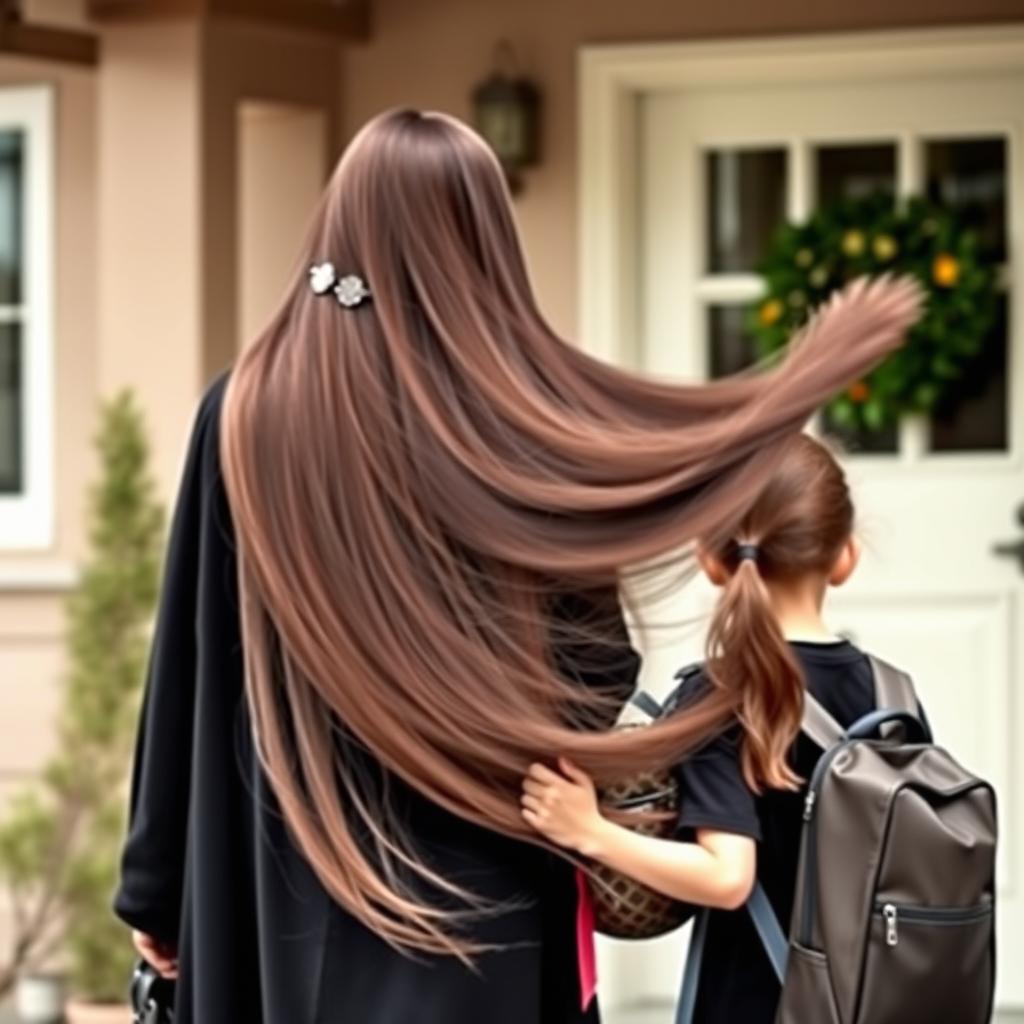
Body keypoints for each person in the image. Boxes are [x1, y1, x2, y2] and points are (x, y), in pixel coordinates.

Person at [114, 107, 922, 1024]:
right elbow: (594, 666)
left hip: (278, 856)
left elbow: (186, 658)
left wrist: (153, 884)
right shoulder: (521, 416)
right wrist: (490, 732)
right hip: (483, 859)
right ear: (484, 240)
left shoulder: (243, 410)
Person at [522, 434, 924, 1022]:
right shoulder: (894, 695)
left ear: (711, 560)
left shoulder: (723, 696)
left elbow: (727, 877)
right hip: (879, 998)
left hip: (757, 1003)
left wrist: (589, 830)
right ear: (846, 556)